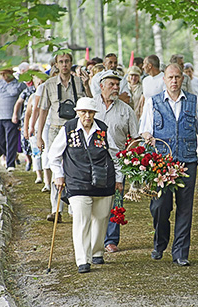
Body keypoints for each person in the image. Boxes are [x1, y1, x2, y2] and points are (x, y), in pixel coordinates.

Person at [139, 63, 198, 266]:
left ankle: (180, 252)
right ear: (164, 79)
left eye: (177, 77)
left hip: (187, 161)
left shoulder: (193, 101)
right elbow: (144, 130)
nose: (174, 81)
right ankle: (160, 242)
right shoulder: (153, 102)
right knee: (160, 206)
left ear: (183, 79)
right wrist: (148, 138)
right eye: (170, 77)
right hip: (161, 163)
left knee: (185, 207)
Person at [48, 97, 122, 273]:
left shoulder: (102, 130)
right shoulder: (68, 129)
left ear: (95, 113)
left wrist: (119, 178)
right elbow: (53, 155)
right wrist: (58, 175)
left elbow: (115, 155)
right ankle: (83, 259)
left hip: (103, 182)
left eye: (90, 112)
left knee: (101, 218)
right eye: (83, 112)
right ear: (77, 112)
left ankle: (97, 252)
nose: (87, 116)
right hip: (77, 182)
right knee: (81, 221)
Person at [37, 51, 91, 222]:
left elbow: (90, 103)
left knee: (75, 166)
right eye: (61, 62)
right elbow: (43, 110)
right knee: (56, 167)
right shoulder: (49, 84)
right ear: (56, 65)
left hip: (76, 128)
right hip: (55, 128)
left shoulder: (78, 82)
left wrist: (87, 85)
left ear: (71, 63)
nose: (65, 64)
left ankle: (74, 207)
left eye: (67, 61)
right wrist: (39, 135)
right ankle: (56, 209)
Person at [94, 70, 139, 253]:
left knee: (116, 200)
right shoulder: (91, 106)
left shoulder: (126, 110)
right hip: (93, 160)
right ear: (101, 86)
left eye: (117, 84)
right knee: (95, 199)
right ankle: (95, 236)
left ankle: (111, 239)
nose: (115, 88)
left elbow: (135, 138)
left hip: (117, 161)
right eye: (111, 84)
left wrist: (130, 157)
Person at [0, 68, 27, 171]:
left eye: (5, 74)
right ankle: (2, 152)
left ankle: (10, 164)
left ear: (11, 74)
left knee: (11, 140)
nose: (4, 76)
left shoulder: (19, 84)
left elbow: (25, 97)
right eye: (2, 74)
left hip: (12, 117)